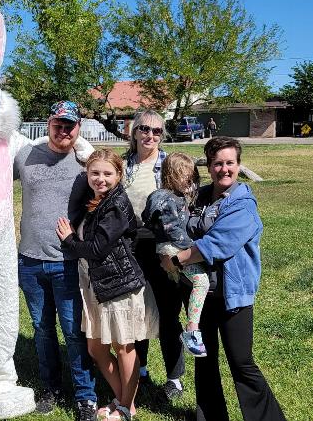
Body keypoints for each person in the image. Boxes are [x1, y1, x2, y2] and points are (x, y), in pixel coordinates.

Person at [162, 137, 286, 421]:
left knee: (242, 363)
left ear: (238, 165)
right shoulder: (201, 197)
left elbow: (217, 245)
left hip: (232, 295)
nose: (224, 169)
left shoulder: (242, 205)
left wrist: (175, 260)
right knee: (205, 363)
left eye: (230, 163)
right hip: (201, 293)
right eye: (218, 163)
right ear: (210, 166)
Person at [57, 149, 158, 421]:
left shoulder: (116, 204)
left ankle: (126, 408)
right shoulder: (97, 199)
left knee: (124, 347)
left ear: (119, 174)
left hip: (119, 286)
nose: (100, 178)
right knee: (97, 348)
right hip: (97, 285)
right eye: (95, 173)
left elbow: (98, 248)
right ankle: (124, 399)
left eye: (107, 173)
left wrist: (69, 240)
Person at [13, 101, 98, 421]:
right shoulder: (26, 156)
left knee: (74, 331)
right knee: (42, 328)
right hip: (30, 261)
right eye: (58, 124)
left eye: (70, 125)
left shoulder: (84, 163)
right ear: (48, 123)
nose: (64, 130)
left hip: (68, 262)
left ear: (79, 128)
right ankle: (51, 387)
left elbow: (112, 186)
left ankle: (85, 396)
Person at [124, 110, 188, 402]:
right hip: (130, 247)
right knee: (137, 311)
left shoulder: (168, 166)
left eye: (157, 131)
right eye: (145, 129)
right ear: (135, 131)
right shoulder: (124, 165)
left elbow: (187, 200)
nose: (151, 136)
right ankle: (143, 369)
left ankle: (174, 378)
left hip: (162, 249)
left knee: (168, 313)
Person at [142, 152, 209, 357]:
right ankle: (192, 330)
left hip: (167, 248)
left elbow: (147, 217)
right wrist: (194, 248)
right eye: (185, 176)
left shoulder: (165, 197)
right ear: (171, 175)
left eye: (192, 177)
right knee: (201, 282)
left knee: (181, 286)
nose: (190, 182)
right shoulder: (166, 199)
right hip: (173, 248)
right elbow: (172, 229)